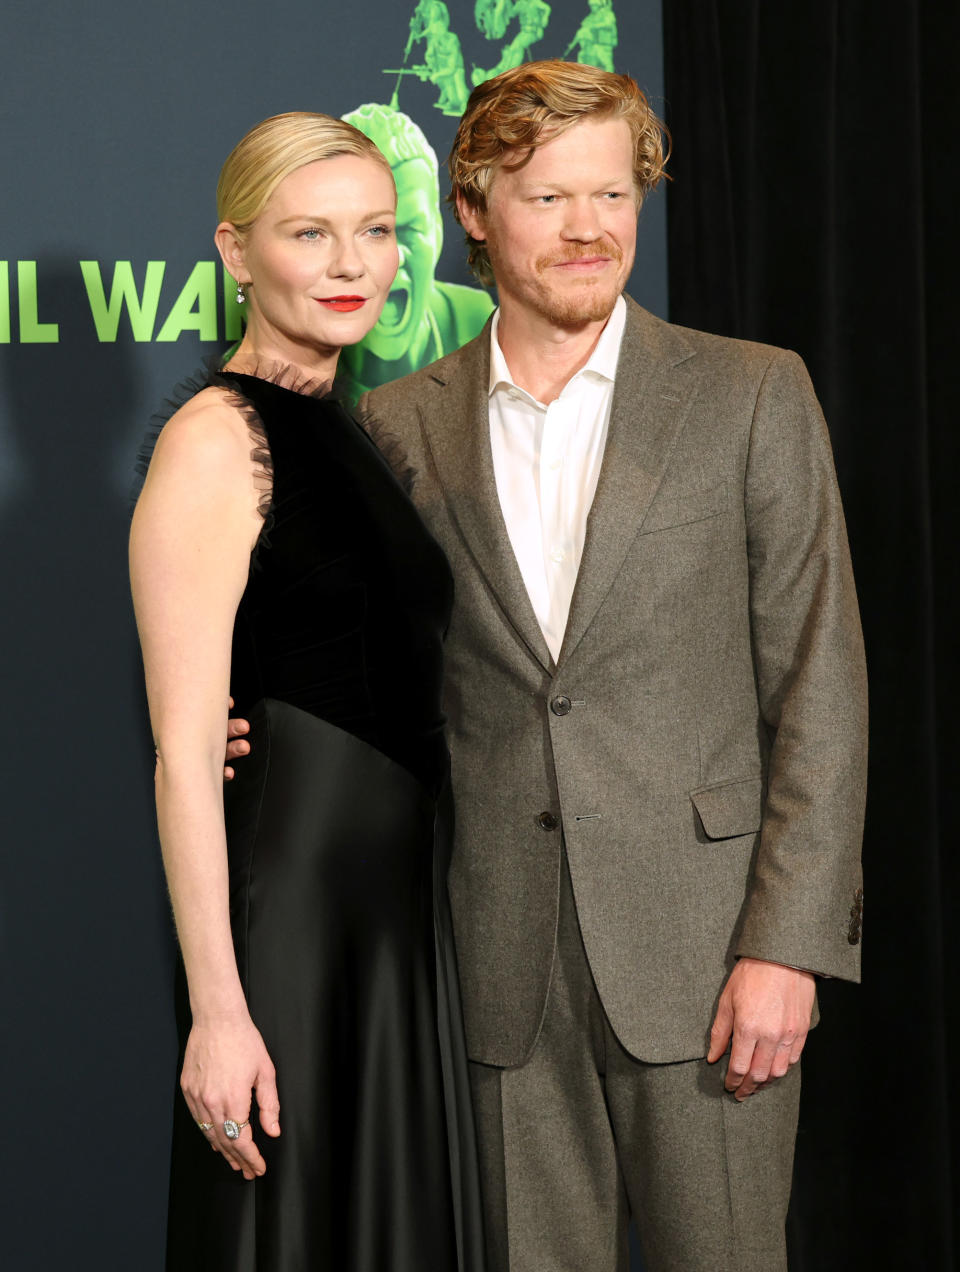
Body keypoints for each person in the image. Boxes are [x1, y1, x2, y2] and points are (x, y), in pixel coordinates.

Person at [227, 61, 867, 1272]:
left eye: (614, 196)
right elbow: (353, 659)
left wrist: (787, 946)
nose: (590, 231)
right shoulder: (399, 423)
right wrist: (231, 721)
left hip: (709, 958)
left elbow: (820, 685)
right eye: (548, 200)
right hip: (492, 962)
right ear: (472, 210)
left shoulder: (751, 392)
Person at [130, 111, 485, 1271]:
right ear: (238, 253)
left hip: (392, 928)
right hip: (290, 928)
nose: (351, 265)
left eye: (376, 231)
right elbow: (185, 756)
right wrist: (218, 1013)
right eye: (311, 233)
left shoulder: (353, 432)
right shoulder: (216, 439)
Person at [338, 103, 493, 401]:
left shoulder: (474, 320)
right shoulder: (288, 364)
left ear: (438, 228)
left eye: (410, 229)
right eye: (371, 232)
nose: (392, 258)